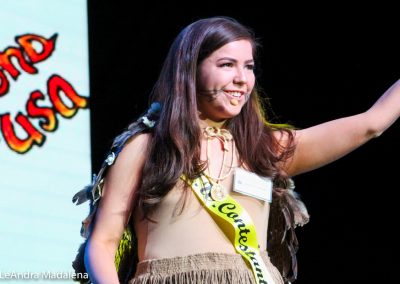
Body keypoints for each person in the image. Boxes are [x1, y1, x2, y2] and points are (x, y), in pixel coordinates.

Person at [72, 16, 400, 284]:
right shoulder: (146, 147)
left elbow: (372, 123)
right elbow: (102, 243)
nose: (242, 79)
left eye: (249, 67)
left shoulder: (263, 148)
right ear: (191, 69)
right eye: (228, 65)